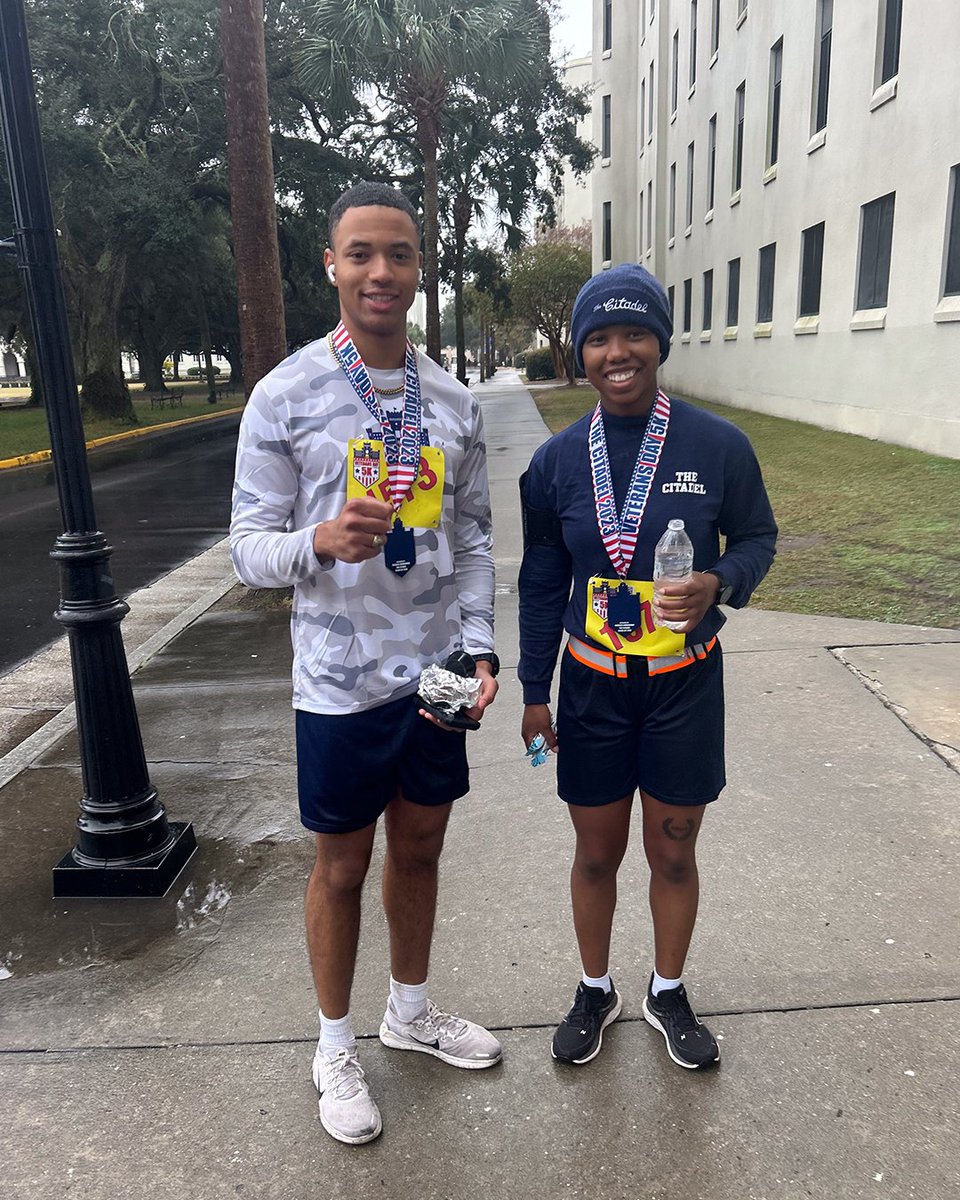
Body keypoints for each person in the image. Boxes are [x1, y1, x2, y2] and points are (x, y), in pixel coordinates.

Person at [230, 182, 502, 1146]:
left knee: (422, 847)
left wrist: (480, 644)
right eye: (361, 254)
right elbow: (247, 549)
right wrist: (318, 541)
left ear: (418, 267)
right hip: (340, 682)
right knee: (341, 867)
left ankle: (410, 1012)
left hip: (433, 671)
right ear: (332, 265)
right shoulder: (288, 393)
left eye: (399, 254)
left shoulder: (452, 401)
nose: (381, 272)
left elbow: (471, 536)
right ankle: (335, 1044)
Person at [518, 262, 776, 1072]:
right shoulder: (557, 463)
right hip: (592, 685)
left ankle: (667, 990)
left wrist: (720, 582)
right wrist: (533, 691)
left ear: (659, 342)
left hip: (684, 686)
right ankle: (596, 988)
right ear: (581, 350)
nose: (616, 352)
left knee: (672, 853)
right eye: (599, 337)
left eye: (634, 334)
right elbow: (539, 579)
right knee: (597, 854)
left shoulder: (718, 445)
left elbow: (759, 539)